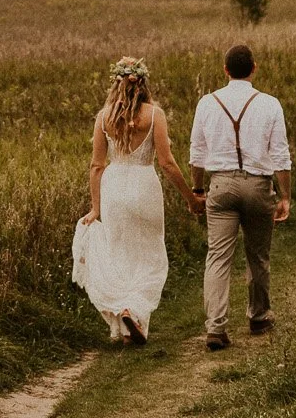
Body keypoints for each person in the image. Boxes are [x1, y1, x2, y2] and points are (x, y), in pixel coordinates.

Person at [71, 56, 201, 346]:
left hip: (114, 186)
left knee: (121, 255)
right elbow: (167, 164)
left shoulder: (104, 117)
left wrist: (96, 207)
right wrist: (190, 198)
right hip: (144, 185)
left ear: (117, 84)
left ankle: (128, 323)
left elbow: (96, 166)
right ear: (143, 83)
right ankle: (134, 312)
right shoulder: (154, 115)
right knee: (150, 256)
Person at [188, 43, 292, 351]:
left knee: (218, 257)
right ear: (254, 68)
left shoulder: (207, 103)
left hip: (220, 185)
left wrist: (197, 189)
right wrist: (285, 195)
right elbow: (280, 156)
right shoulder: (270, 104)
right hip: (259, 186)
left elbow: (197, 154)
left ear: (225, 70)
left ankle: (216, 327)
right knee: (257, 255)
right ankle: (258, 316)